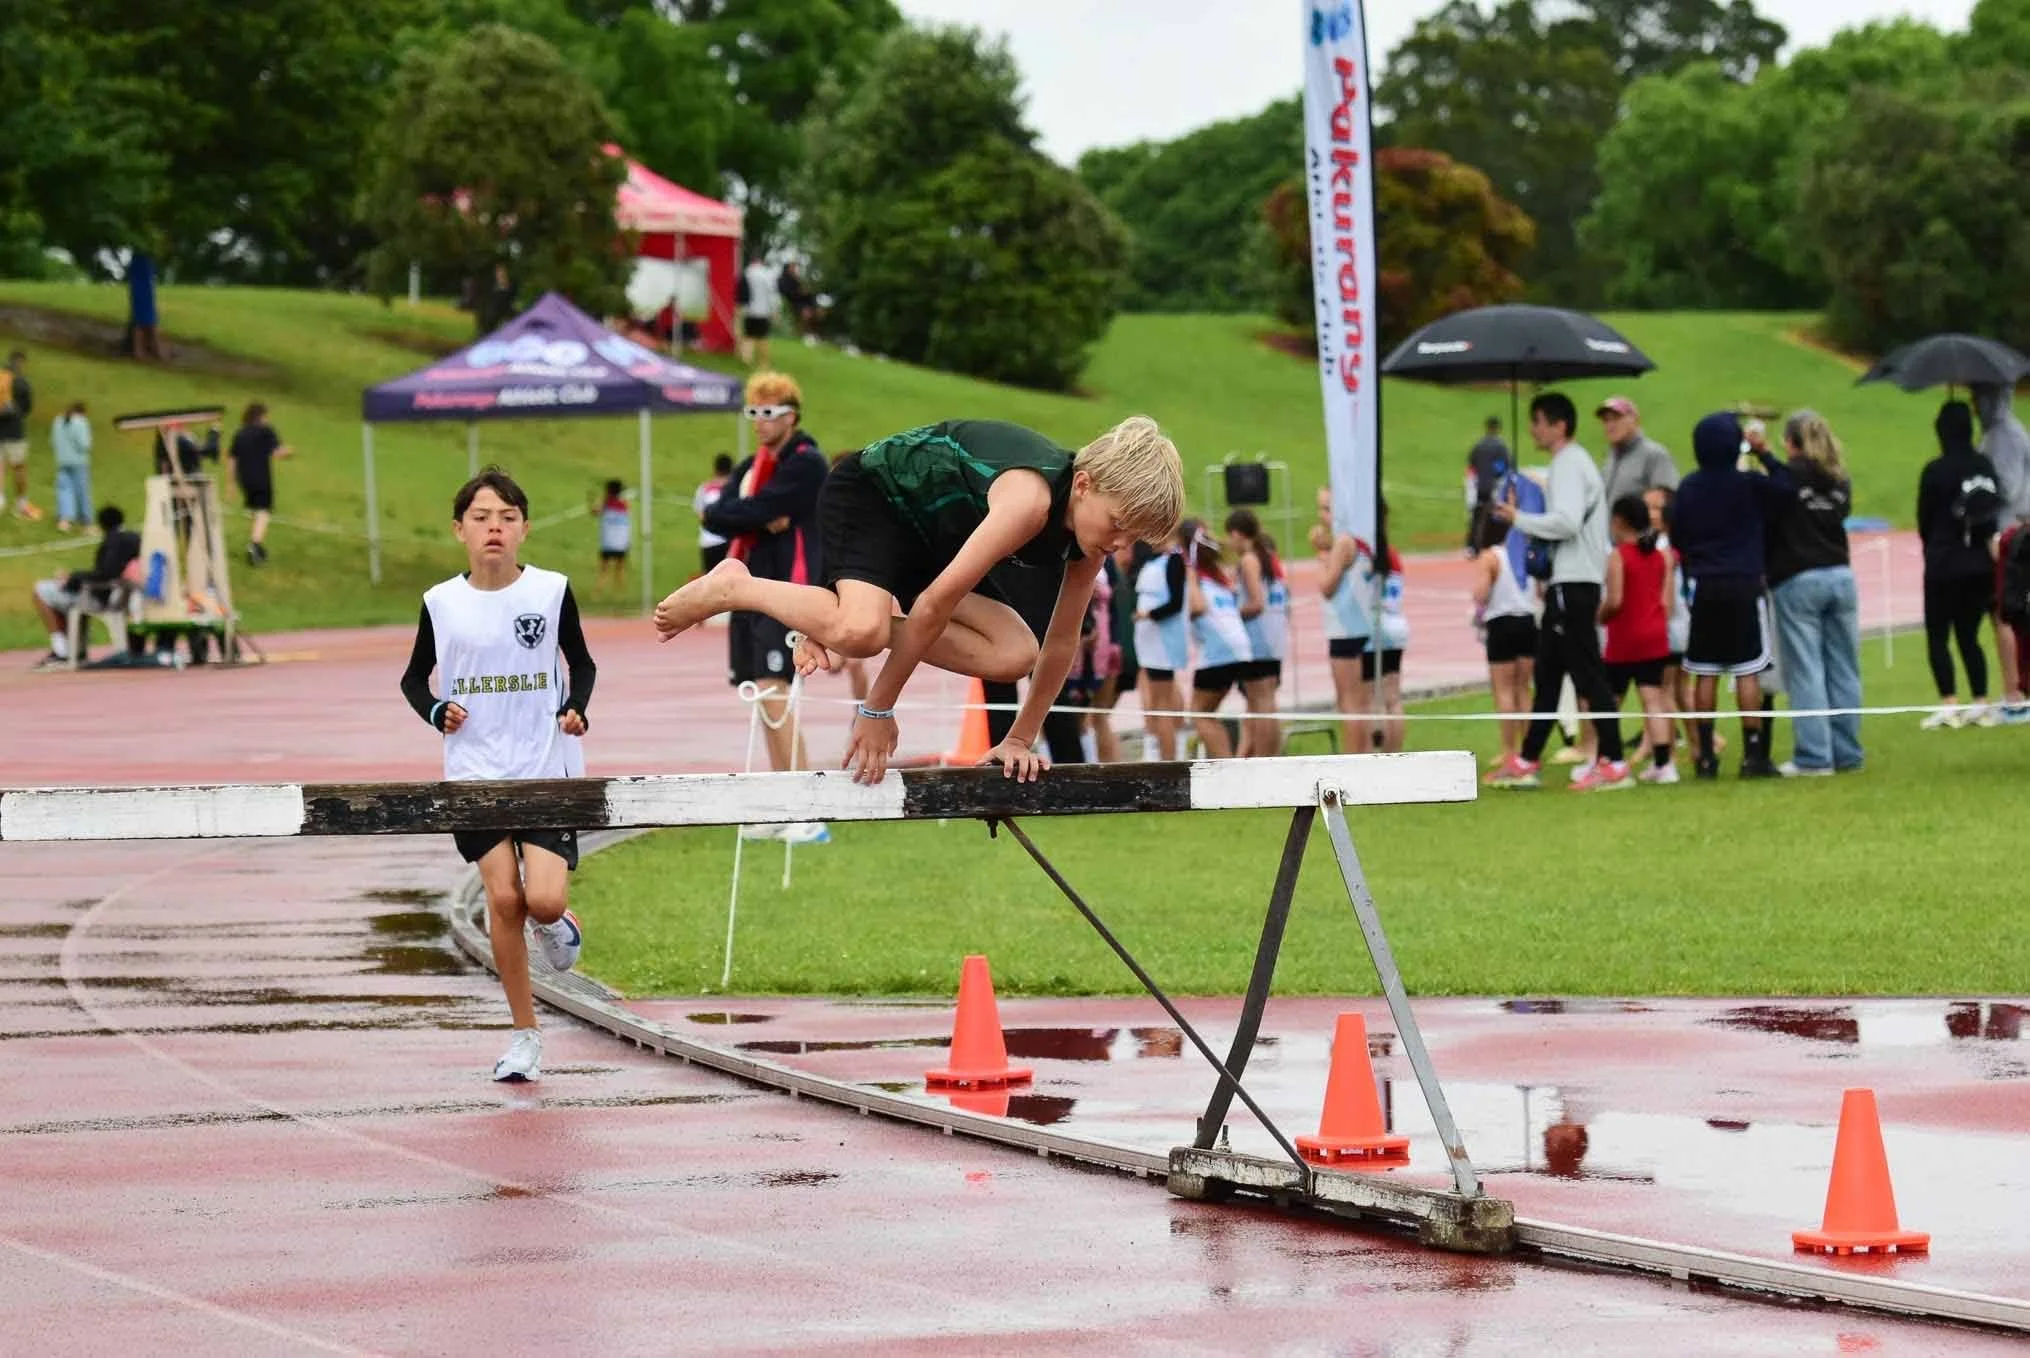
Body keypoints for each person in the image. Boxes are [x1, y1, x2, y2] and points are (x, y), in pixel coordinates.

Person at [655, 417, 1185, 785]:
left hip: (932, 539)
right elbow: (933, 605)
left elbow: (1061, 641)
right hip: (875, 497)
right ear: (1086, 484)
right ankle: (736, 586)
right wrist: (878, 708)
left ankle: (834, 614)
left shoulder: (1087, 542)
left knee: (1013, 654)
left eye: (1134, 538)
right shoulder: (1029, 501)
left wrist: (1020, 740)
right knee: (858, 635)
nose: (1120, 545)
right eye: (1119, 525)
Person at [398, 468, 597, 1083]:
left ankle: (559, 924)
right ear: (460, 530)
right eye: (482, 518)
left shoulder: (551, 591)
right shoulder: (440, 603)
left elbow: (581, 663)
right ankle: (524, 1036)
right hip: (474, 771)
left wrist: (576, 708)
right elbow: (413, 679)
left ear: (525, 529)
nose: (494, 528)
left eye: (507, 518)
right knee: (503, 899)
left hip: (543, 766)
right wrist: (436, 710)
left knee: (542, 899)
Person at [697, 373, 831, 842]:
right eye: (753, 412)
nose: (759, 422)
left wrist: (751, 511)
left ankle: (809, 811)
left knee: (777, 692)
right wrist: (752, 512)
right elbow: (719, 511)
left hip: (787, 588)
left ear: (791, 415)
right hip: (747, 585)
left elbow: (746, 509)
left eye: (769, 412)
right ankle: (781, 803)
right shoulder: (750, 465)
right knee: (761, 693)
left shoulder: (807, 462)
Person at [1488, 392, 1630, 791]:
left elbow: (1567, 523)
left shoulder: (1570, 463)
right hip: (1568, 582)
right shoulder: (1569, 463)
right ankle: (1528, 759)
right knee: (1548, 673)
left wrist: (1521, 519)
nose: (1533, 429)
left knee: (1588, 673)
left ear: (1557, 425)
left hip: (1574, 581)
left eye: (1537, 421)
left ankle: (1614, 760)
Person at [1672, 411, 1793, 778]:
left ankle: (1706, 754)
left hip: (1706, 584)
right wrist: (1764, 453)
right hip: (1743, 582)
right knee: (1748, 669)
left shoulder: (1689, 488)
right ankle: (1753, 752)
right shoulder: (1749, 484)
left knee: (1704, 671)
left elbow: (1678, 533)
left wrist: (1696, 561)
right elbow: (1788, 490)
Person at [1766, 410, 1863, 775]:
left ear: (1791, 443)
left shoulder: (1788, 476)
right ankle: (1847, 751)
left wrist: (1762, 456)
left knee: (1806, 670)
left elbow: (1776, 494)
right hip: (1841, 574)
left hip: (1800, 575)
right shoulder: (1839, 479)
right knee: (1845, 669)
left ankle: (1814, 756)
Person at [1916, 400, 2004, 730]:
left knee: (1938, 635)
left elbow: (1924, 519)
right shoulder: (1984, 466)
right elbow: (1992, 511)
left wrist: (1933, 545)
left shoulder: (1935, 471)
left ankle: (1949, 703)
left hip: (1943, 561)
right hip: (1979, 562)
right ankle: (1981, 701)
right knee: (1970, 635)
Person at [1600, 495, 1678, 783]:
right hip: (1654, 636)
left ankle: (1607, 758)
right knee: (1653, 700)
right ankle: (1664, 763)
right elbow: (1666, 602)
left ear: (1618, 522)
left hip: (1624, 638)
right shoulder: (1661, 557)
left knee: (1611, 701)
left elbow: (1616, 600)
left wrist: (1601, 615)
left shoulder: (1619, 556)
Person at [1973, 382, 2030, 716]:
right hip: (2011, 529)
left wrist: (1976, 482)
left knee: (2006, 611)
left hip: (2009, 532)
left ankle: (2014, 694)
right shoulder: (2002, 433)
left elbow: (2006, 486)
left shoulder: (2004, 435)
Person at [1469, 509, 1537, 781]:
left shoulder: (1491, 557)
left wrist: (1476, 602)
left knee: (1504, 691)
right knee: (1524, 689)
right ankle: (1528, 750)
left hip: (1502, 623)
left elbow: (1481, 594)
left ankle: (1509, 751)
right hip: (1527, 622)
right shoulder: (1525, 553)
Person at [29, 504, 141, 668]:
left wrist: (72, 578)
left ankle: (60, 648)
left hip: (99, 597)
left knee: (40, 590)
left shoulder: (111, 542)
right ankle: (74, 648)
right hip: (123, 595)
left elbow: (105, 573)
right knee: (59, 596)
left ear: (102, 524)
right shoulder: (135, 539)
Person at [1310, 484, 1376, 757]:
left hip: (1345, 630)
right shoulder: (1357, 538)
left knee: (1350, 703)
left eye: (1327, 509)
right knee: (1355, 701)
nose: (1322, 516)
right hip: (1356, 626)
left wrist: (1320, 555)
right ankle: (1360, 754)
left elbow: (1326, 585)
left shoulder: (1344, 541)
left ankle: (1353, 759)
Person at [1184, 522, 1249, 760]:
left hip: (1217, 652)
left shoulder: (1196, 576)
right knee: (1208, 713)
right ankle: (1226, 762)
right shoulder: (1218, 577)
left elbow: (1198, 606)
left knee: (1199, 713)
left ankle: (1224, 766)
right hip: (1238, 649)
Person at [1225, 509, 1288, 757]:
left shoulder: (1250, 560)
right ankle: (1268, 756)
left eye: (1230, 536)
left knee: (1261, 704)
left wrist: (1229, 615)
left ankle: (1264, 759)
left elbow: (1256, 602)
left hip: (1257, 640)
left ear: (1238, 534)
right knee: (1267, 703)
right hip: (1274, 638)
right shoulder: (1269, 557)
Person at [1133, 529, 1191, 761]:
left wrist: (1148, 614)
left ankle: (1168, 759)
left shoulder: (1174, 560)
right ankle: (1169, 755)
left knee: (1161, 705)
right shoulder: (1154, 561)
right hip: (1151, 644)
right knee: (1161, 703)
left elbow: (1175, 603)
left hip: (1162, 644)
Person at [228, 403, 292, 565]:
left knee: (256, 510)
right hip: (261, 477)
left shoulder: (240, 433)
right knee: (264, 510)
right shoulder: (266, 430)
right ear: (261, 416)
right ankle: (255, 545)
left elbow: (232, 458)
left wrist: (231, 483)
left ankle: (255, 540)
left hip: (244, 478)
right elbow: (277, 452)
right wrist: (289, 452)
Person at [1596, 395, 1680, 507]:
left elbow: (1667, 502)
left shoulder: (1655, 455)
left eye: (1616, 418)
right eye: (1606, 420)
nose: (1610, 426)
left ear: (1634, 419)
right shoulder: (1610, 456)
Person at [1464, 416, 1510, 552]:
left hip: (1479, 485)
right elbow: (1503, 467)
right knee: (1497, 514)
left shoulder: (1478, 445)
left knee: (1477, 515)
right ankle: (1494, 543)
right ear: (1498, 428)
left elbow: (1471, 465)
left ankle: (1472, 546)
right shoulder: (1501, 446)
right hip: (1493, 486)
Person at [1, 350, 37, 519]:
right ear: (21, 363)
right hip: (15, 431)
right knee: (19, 468)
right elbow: (28, 408)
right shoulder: (22, 383)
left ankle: (0, 499)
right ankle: (21, 502)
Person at [51, 400, 93, 533]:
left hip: (62, 461)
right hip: (79, 462)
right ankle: (86, 522)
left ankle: (64, 520)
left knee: (64, 490)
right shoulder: (81, 422)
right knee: (82, 492)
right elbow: (85, 444)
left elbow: (52, 441)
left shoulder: (57, 421)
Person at [694, 453, 734, 577]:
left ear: (715, 469)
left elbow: (701, 515)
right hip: (729, 541)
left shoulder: (704, 488)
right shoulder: (733, 489)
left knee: (710, 581)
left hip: (709, 542)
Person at [737, 253, 778, 367]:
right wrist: (774, 310)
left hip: (749, 310)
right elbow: (772, 294)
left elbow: (740, 292)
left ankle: (746, 359)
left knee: (748, 336)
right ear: (761, 262)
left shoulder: (747, 272)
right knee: (763, 337)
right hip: (762, 311)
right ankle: (764, 362)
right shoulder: (767, 274)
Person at [597, 479, 631, 589]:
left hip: (608, 542)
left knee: (604, 570)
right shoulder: (624, 504)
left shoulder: (606, 503)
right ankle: (620, 589)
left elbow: (595, 511)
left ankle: (599, 589)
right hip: (621, 542)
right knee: (620, 568)